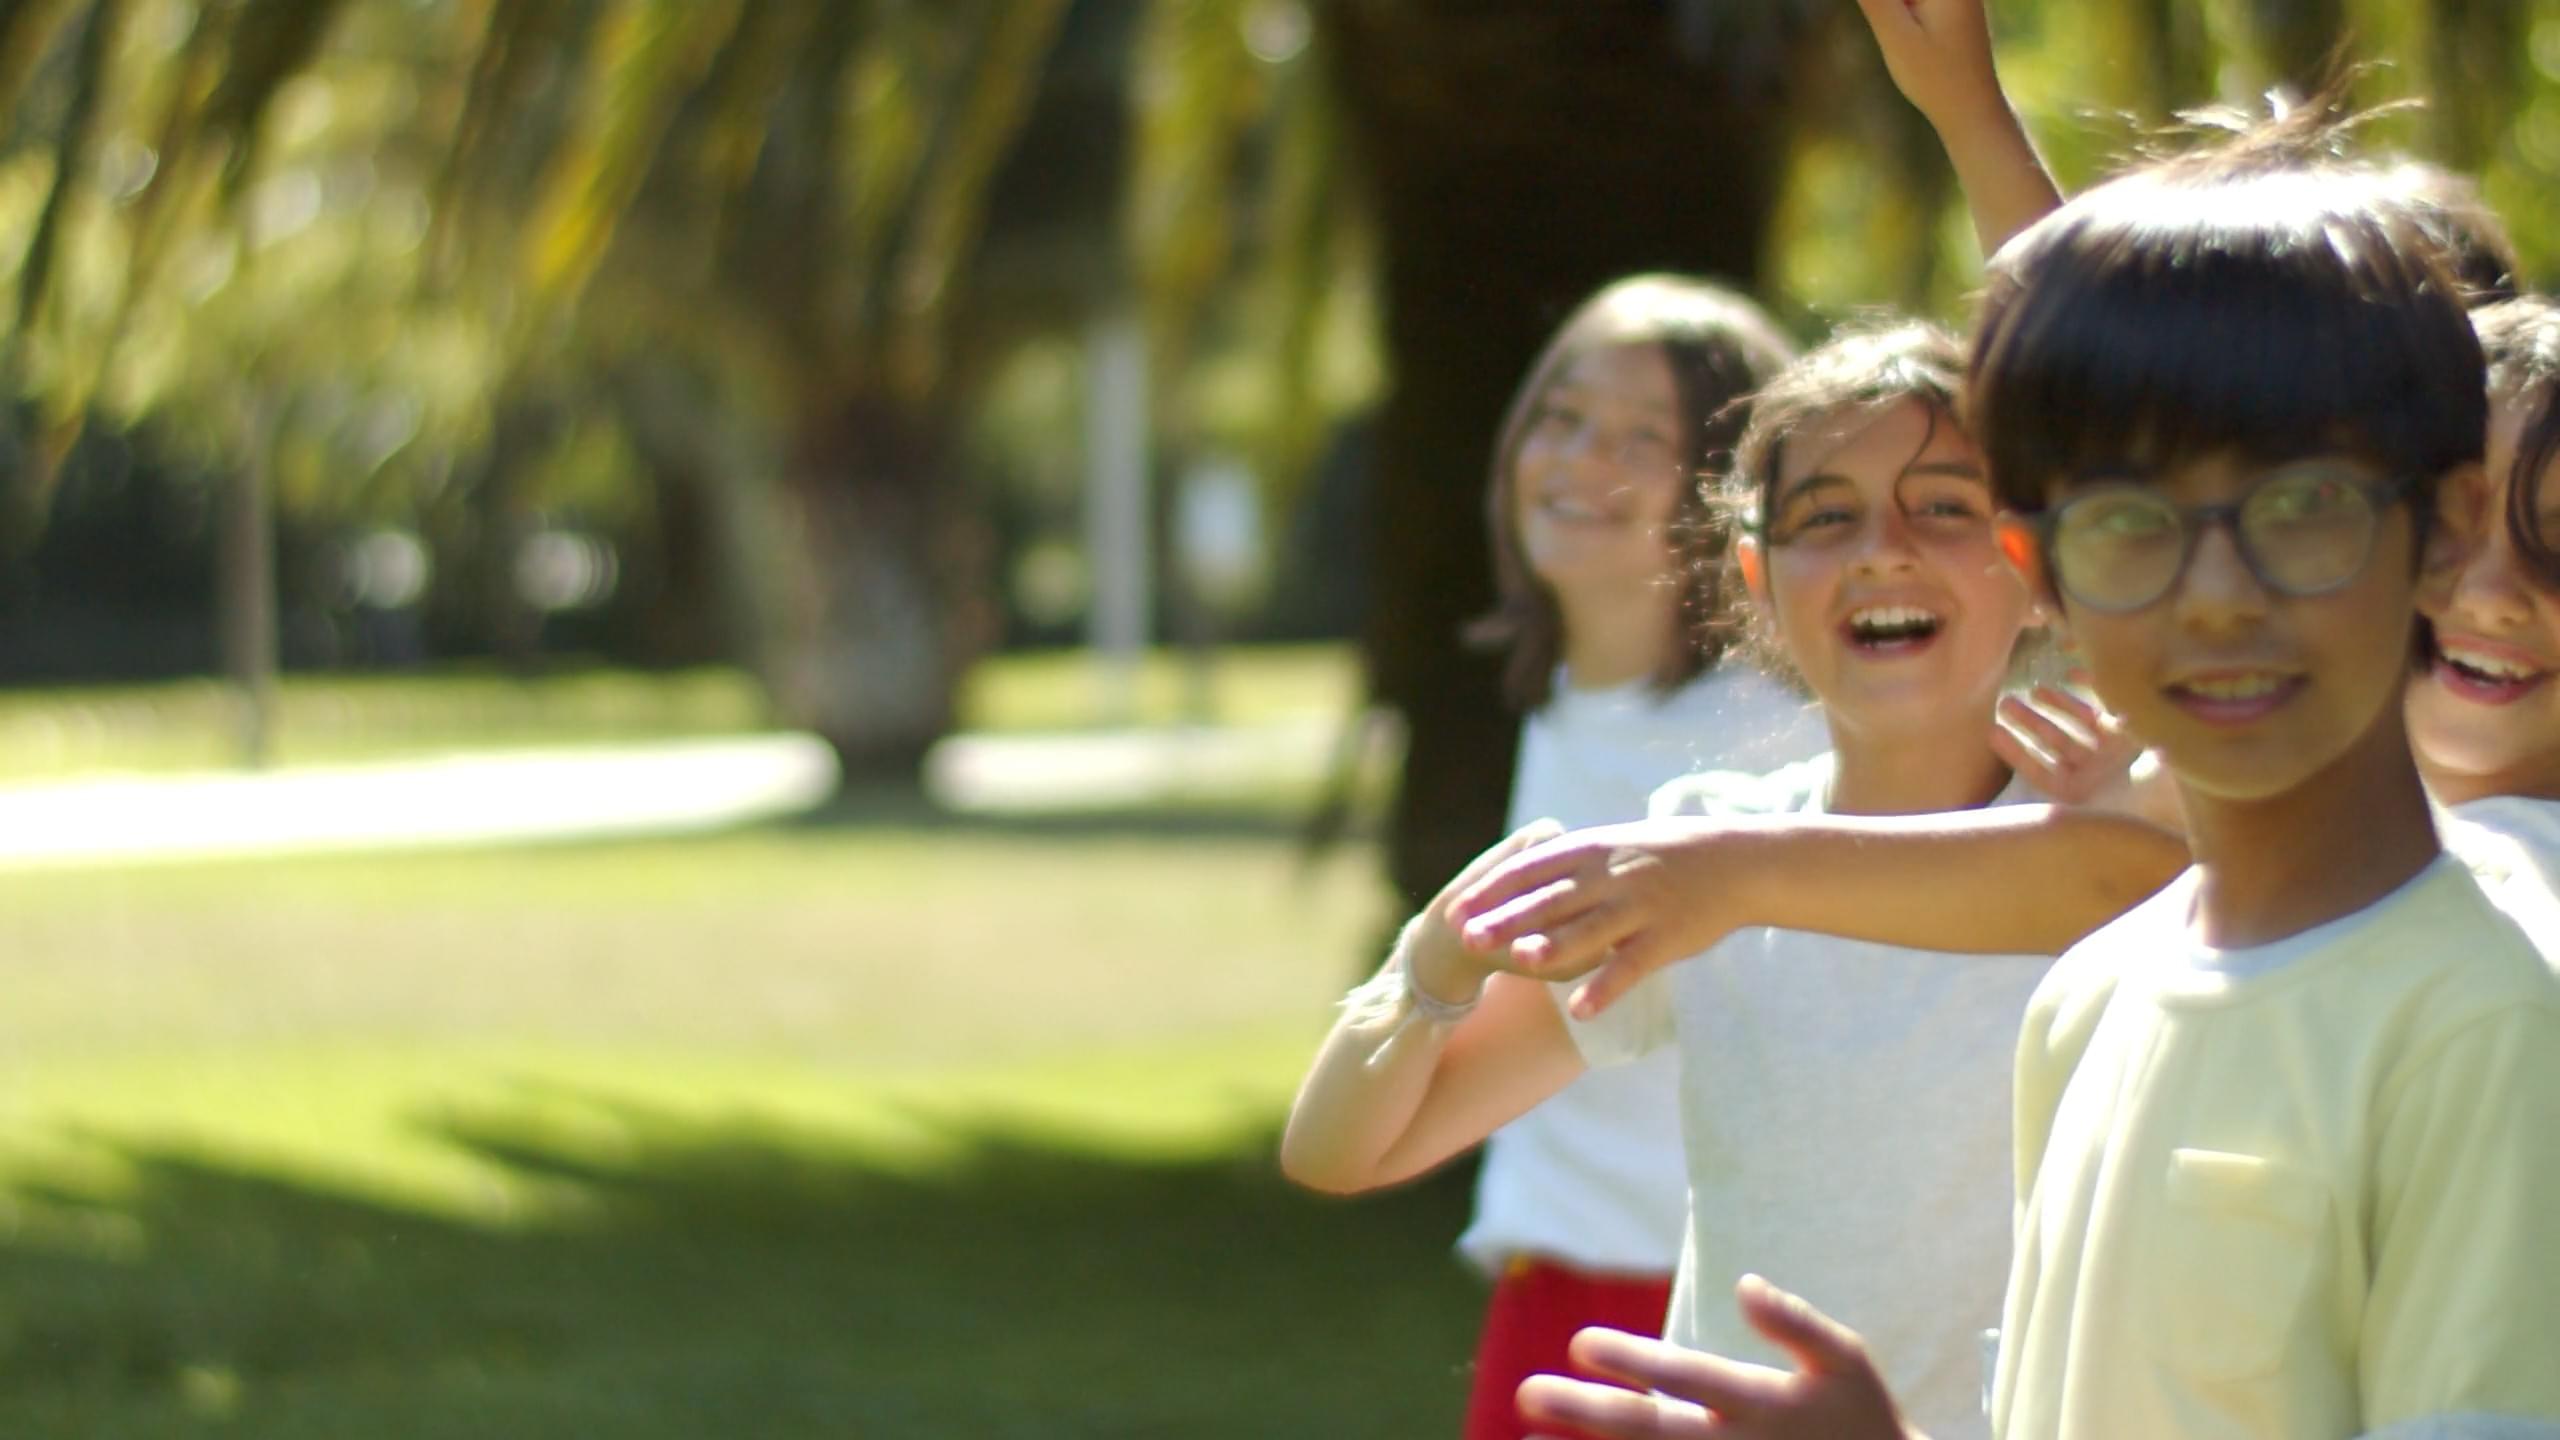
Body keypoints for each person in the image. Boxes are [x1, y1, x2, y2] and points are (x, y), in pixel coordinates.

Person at [1520, 122, 2560, 1440]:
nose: (2219, 599)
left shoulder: (2492, 1026)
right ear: (2040, 569)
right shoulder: (2089, 998)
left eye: (2300, 509)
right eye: (2134, 528)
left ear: (2448, 526)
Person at [1285, 321, 2067, 1440]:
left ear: (2035, 564)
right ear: (1754, 574)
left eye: (1942, 505)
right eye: (1823, 516)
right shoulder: (1695, 853)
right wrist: (1434, 959)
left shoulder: (2111, 847)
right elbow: (1340, 1149)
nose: (1879, 549)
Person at [1449, 273, 1817, 1440]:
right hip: (1546, 1288)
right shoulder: (1560, 699)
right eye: (1560, 416)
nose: (1577, 459)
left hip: (1700, 1315)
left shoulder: (1772, 739)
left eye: (1641, 437)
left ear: (1726, 497)